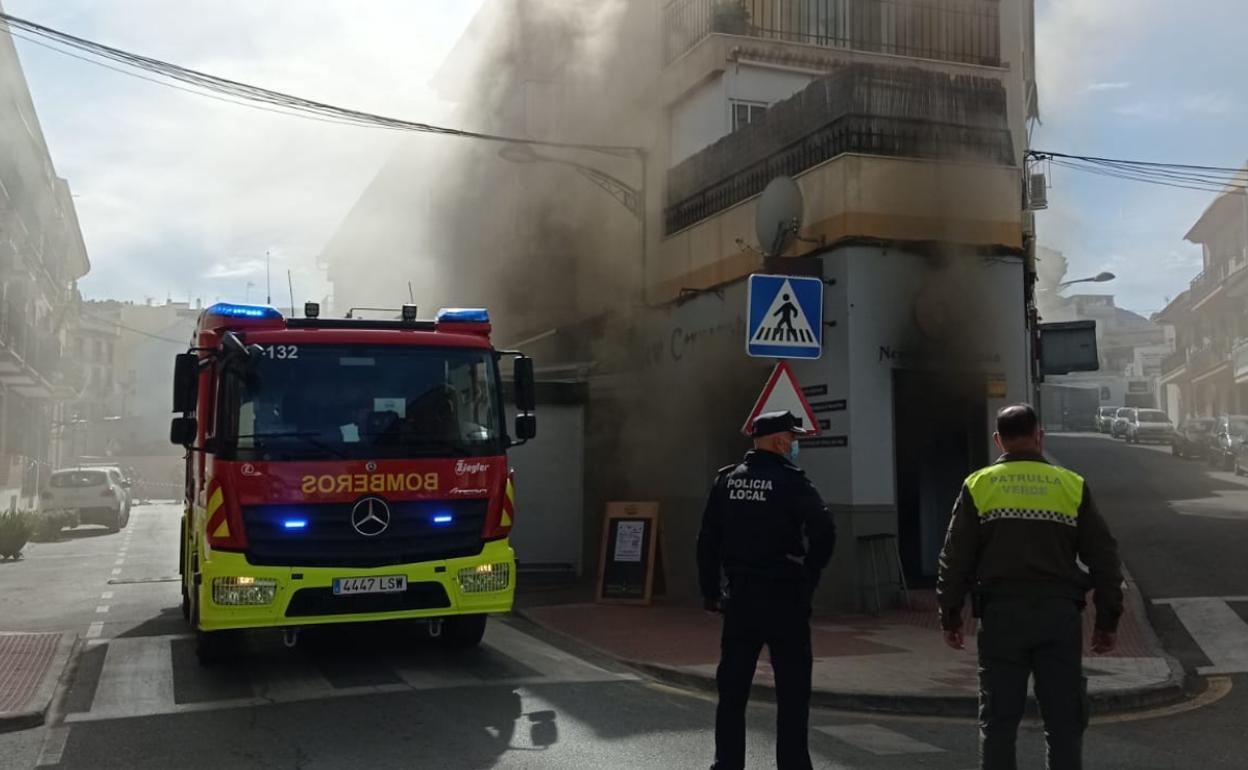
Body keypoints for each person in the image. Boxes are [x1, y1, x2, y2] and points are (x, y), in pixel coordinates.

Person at [937, 403, 1123, 770]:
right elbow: (1105, 559)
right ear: (1040, 436)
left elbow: (954, 558)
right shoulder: (1072, 485)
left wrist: (949, 614)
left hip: (1001, 617)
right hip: (1059, 617)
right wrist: (1107, 622)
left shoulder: (978, 485)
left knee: (999, 723)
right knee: (1064, 724)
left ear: (997, 440)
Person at [697, 410, 837, 770]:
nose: (793, 446)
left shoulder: (726, 481)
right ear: (778, 441)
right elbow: (824, 529)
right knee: (792, 693)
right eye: (791, 440)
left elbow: (707, 540)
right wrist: (809, 577)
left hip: (741, 599)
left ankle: (726, 764)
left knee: (732, 691)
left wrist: (710, 591)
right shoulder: (792, 482)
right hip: (785, 600)